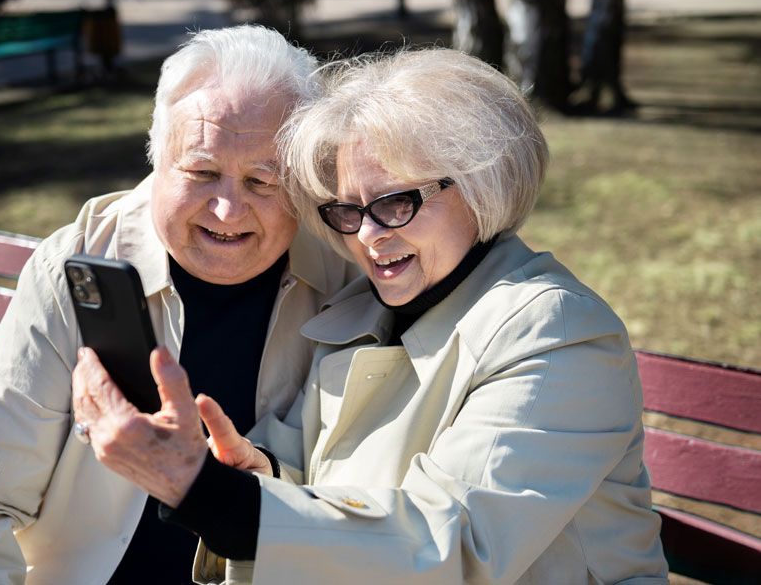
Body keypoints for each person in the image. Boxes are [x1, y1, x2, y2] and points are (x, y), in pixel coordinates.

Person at [70, 47, 670, 583]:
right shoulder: (362, 311)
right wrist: (254, 471)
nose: (369, 237)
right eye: (347, 211)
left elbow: (457, 548)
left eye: (395, 202)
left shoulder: (556, 332)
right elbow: (306, 468)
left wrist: (208, 496)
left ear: (483, 182)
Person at [0, 25, 357, 585]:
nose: (227, 210)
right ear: (155, 158)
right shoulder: (72, 268)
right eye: (201, 172)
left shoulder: (349, 278)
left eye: (262, 181)